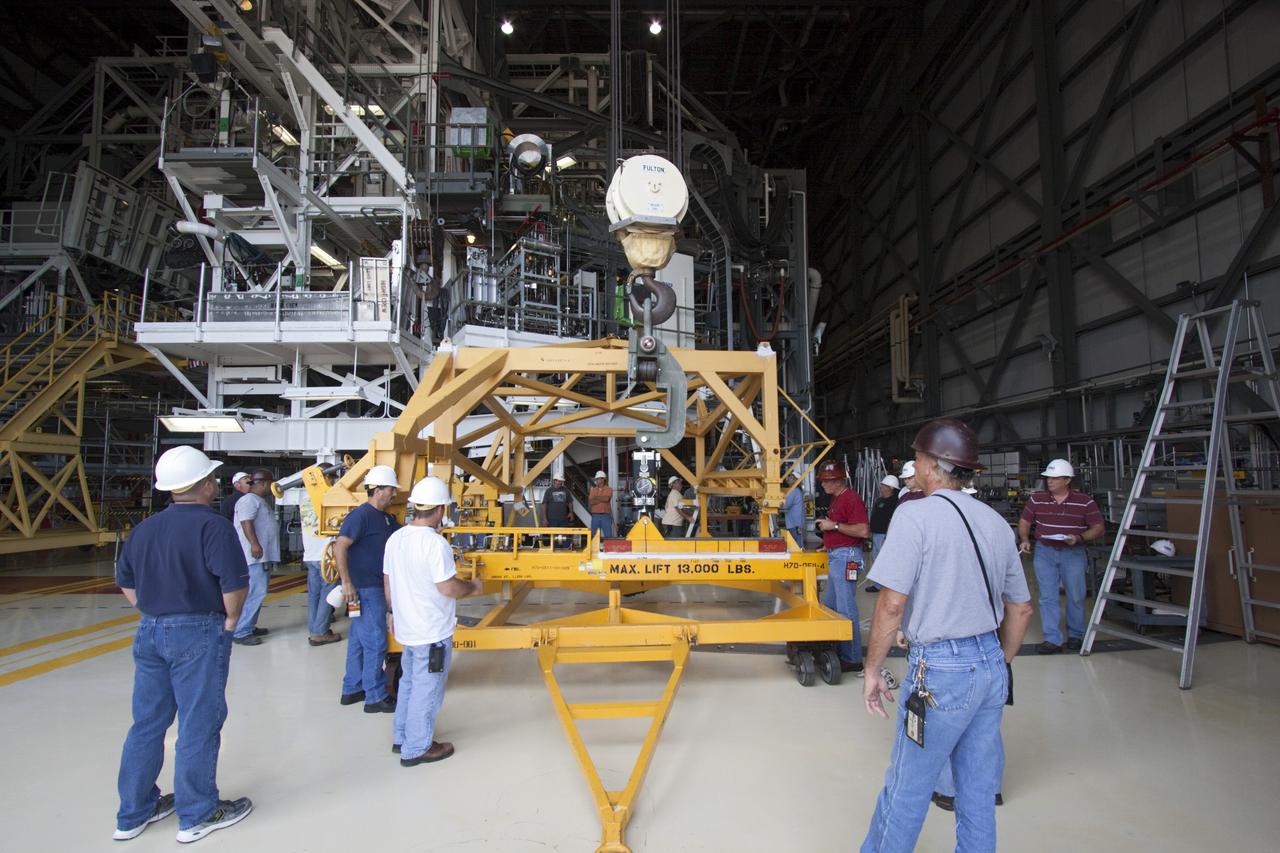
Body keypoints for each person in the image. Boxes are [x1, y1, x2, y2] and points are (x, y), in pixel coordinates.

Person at [860, 418, 1033, 853]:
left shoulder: (914, 515)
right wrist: (999, 662)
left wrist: (873, 669)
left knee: (907, 787)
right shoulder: (995, 522)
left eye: (917, 458)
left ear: (932, 465)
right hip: (991, 666)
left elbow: (891, 604)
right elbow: (1021, 608)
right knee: (976, 792)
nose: (914, 466)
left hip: (940, 670)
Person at [113, 446, 253, 844]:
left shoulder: (145, 528)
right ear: (205, 484)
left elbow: (125, 581)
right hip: (198, 629)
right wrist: (230, 621)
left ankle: (133, 813)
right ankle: (198, 814)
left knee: (147, 723)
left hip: (150, 629)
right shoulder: (213, 526)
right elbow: (233, 584)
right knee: (198, 722)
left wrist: (152, 610)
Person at [384, 477, 484, 766]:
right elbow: (447, 587)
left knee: (409, 684)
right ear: (441, 509)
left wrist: (392, 612)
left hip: (408, 629)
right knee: (427, 689)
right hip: (431, 632)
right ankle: (417, 748)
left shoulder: (396, 539)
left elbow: (388, 582)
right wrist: (473, 587)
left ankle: (401, 736)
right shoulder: (435, 543)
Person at [334, 464, 403, 712]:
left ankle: (352, 688)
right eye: (391, 489)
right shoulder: (360, 516)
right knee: (375, 641)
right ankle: (375, 696)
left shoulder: (385, 519)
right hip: (364, 589)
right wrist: (346, 582)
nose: (394, 494)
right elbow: (340, 546)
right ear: (377, 489)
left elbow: (404, 535)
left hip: (371, 588)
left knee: (358, 640)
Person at [1020, 458, 1105, 654]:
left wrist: (1079, 538)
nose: (1049, 481)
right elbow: (1025, 522)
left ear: (1067, 480)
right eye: (1048, 478)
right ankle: (1052, 639)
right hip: (1045, 551)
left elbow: (1098, 527)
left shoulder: (1084, 501)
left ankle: (1076, 636)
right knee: (1047, 596)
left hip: (1073, 553)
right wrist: (1024, 539)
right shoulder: (1037, 499)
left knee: (1075, 595)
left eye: (1055, 478)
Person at [815, 459, 870, 674]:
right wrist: (828, 543)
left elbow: (862, 530)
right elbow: (842, 530)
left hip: (847, 558)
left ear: (838, 481)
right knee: (830, 606)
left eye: (826, 481)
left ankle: (852, 658)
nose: (822, 485)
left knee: (846, 608)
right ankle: (837, 649)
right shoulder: (837, 499)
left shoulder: (851, 498)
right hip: (838, 555)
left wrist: (834, 525)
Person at [231, 468, 278, 646]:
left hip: (261, 555)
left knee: (258, 591)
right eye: (270, 483)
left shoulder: (258, 500)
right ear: (264, 483)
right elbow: (246, 523)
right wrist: (255, 544)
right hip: (255, 555)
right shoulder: (248, 500)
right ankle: (242, 631)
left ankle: (248, 626)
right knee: (256, 592)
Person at [301, 482, 341, 647]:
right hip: (326, 556)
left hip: (310, 554)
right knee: (327, 594)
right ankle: (320, 632)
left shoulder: (305, 497)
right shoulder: (329, 496)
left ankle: (314, 629)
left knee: (314, 595)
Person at [865, 475, 900, 592]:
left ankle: (888, 585)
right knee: (876, 559)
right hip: (876, 534)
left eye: (884, 485)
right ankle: (878, 585)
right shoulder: (879, 500)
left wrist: (888, 536)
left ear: (891, 487)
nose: (881, 486)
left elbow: (893, 520)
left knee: (885, 561)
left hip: (885, 536)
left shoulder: (894, 502)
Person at [781, 473, 806, 547]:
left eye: (791, 478)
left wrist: (777, 506)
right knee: (798, 542)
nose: (788, 479)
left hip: (794, 523)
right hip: (797, 522)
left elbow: (786, 506)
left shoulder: (794, 491)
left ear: (796, 480)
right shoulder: (798, 490)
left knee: (796, 544)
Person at [588, 471, 614, 538]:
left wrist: (596, 497)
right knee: (593, 535)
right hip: (595, 516)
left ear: (603, 479)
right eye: (596, 479)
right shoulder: (593, 490)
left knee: (608, 536)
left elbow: (606, 499)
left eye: (597, 479)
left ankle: (608, 545)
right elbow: (591, 501)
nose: (596, 481)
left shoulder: (609, 489)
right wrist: (602, 498)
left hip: (606, 516)